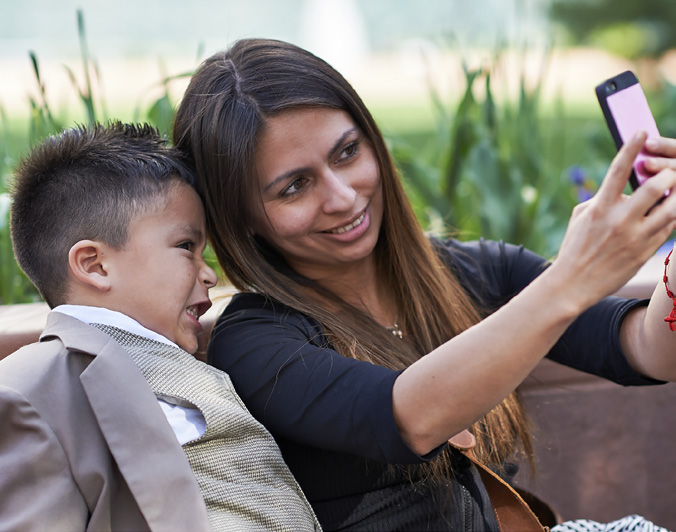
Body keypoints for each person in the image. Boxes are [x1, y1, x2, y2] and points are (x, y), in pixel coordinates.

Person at [173, 38, 676, 531]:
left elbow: (648, 348)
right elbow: (410, 417)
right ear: (242, 218)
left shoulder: (471, 272)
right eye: (294, 186)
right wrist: (570, 281)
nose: (344, 197)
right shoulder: (254, 342)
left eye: (347, 152)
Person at [1, 121, 320, 531]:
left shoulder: (193, 364)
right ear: (95, 265)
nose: (208, 275)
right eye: (187, 247)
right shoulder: (30, 390)